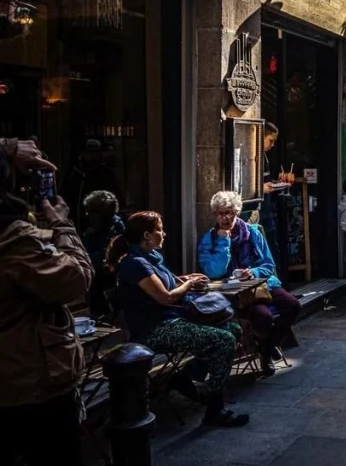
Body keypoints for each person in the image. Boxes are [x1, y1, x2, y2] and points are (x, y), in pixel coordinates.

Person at [0, 138, 93, 466]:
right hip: (29, 384)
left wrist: (8, 149)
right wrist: (61, 225)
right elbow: (76, 278)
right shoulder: (15, 243)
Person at [110, 211, 248, 427]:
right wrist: (189, 286)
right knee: (224, 340)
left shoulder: (151, 259)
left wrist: (186, 278)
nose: (164, 234)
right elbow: (164, 297)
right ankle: (215, 409)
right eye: (159, 230)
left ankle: (185, 376)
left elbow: (166, 284)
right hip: (155, 330)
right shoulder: (135, 263)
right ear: (147, 235)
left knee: (233, 330)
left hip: (174, 320)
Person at [198, 191, 301, 377]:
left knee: (292, 305)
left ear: (237, 212)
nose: (225, 217)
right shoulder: (211, 239)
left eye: (229, 212)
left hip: (262, 284)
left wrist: (252, 272)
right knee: (264, 317)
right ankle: (267, 353)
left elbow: (268, 264)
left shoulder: (252, 233)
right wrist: (223, 242)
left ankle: (267, 348)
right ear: (215, 215)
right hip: (236, 292)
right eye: (220, 213)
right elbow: (213, 272)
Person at [81, 190, 124, 318]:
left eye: (90, 212)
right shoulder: (97, 231)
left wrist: (89, 237)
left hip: (109, 288)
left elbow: (96, 262)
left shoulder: (114, 232)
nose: (87, 215)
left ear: (101, 214)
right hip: (98, 288)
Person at [259, 122, 282, 264]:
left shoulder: (264, 156)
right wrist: (261, 188)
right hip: (259, 213)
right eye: (271, 140)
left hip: (266, 210)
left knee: (273, 249)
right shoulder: (253, 155)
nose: (272, 145)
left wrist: (274, 183)